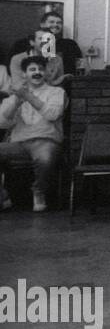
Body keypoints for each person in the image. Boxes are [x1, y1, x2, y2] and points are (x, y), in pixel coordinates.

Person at [0, 56, 67, 213]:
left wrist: (29, 97)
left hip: (46, 140)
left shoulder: (57, 92)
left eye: (41, 69)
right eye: (32, 70)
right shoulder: (15, 95)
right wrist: (16, 101)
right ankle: (3, 197)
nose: (37, 73)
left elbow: (52, 115)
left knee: (45, 158)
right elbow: (2, 123)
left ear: (46, 73)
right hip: (19, 143)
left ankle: (39, 191)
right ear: (24, 74)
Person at [9, 9, 81, 72]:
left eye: (59, 23)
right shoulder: (21, 44)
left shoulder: (70, 44)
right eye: (51, 22)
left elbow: (79, 65)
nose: (56, 25)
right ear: (42, 24)